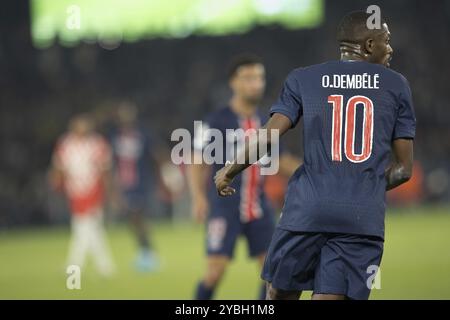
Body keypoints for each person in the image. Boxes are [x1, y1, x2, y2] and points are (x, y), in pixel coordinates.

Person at [214, 11, 416, 300]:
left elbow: (267, 137)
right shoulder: (397, 85)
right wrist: (361, 185)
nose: (391, 48)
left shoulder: (303, 78)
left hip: (306, 211)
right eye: (387, 40)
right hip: (361, 219)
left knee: (278, 294)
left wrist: (228, 171)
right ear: (369, 45)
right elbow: (403, 170)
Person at [188, 54, 300, 300]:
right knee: (215, 272)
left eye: (259, 78)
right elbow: (197, 160)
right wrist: (197, 197)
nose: (256, 84)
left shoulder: (268, 120)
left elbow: (279, 161)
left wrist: (318, 170)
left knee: (272, 273)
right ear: (233, 83)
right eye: (248, 78)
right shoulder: (216, 120)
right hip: (224, 206)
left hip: (259, 206)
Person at [50, 113, 115, 276]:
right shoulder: (65, 144)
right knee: (90, 230)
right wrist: (57, 184)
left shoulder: (97, 144)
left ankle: (75, 265)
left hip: (93, 191)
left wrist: (109, 191)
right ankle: (105, 266)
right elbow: (59, 167)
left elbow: (106, 169)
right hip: (74, 191)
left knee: (84, 228)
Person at [110, 102, 159, 272]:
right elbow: (112, 163)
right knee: (132, 220)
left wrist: (167, 175)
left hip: (140, 183)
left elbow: (156, 154)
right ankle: (145, 252)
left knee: (137, 217)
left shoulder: (143, 134)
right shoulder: (115, 137)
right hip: (124, 185)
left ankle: (148, 254)